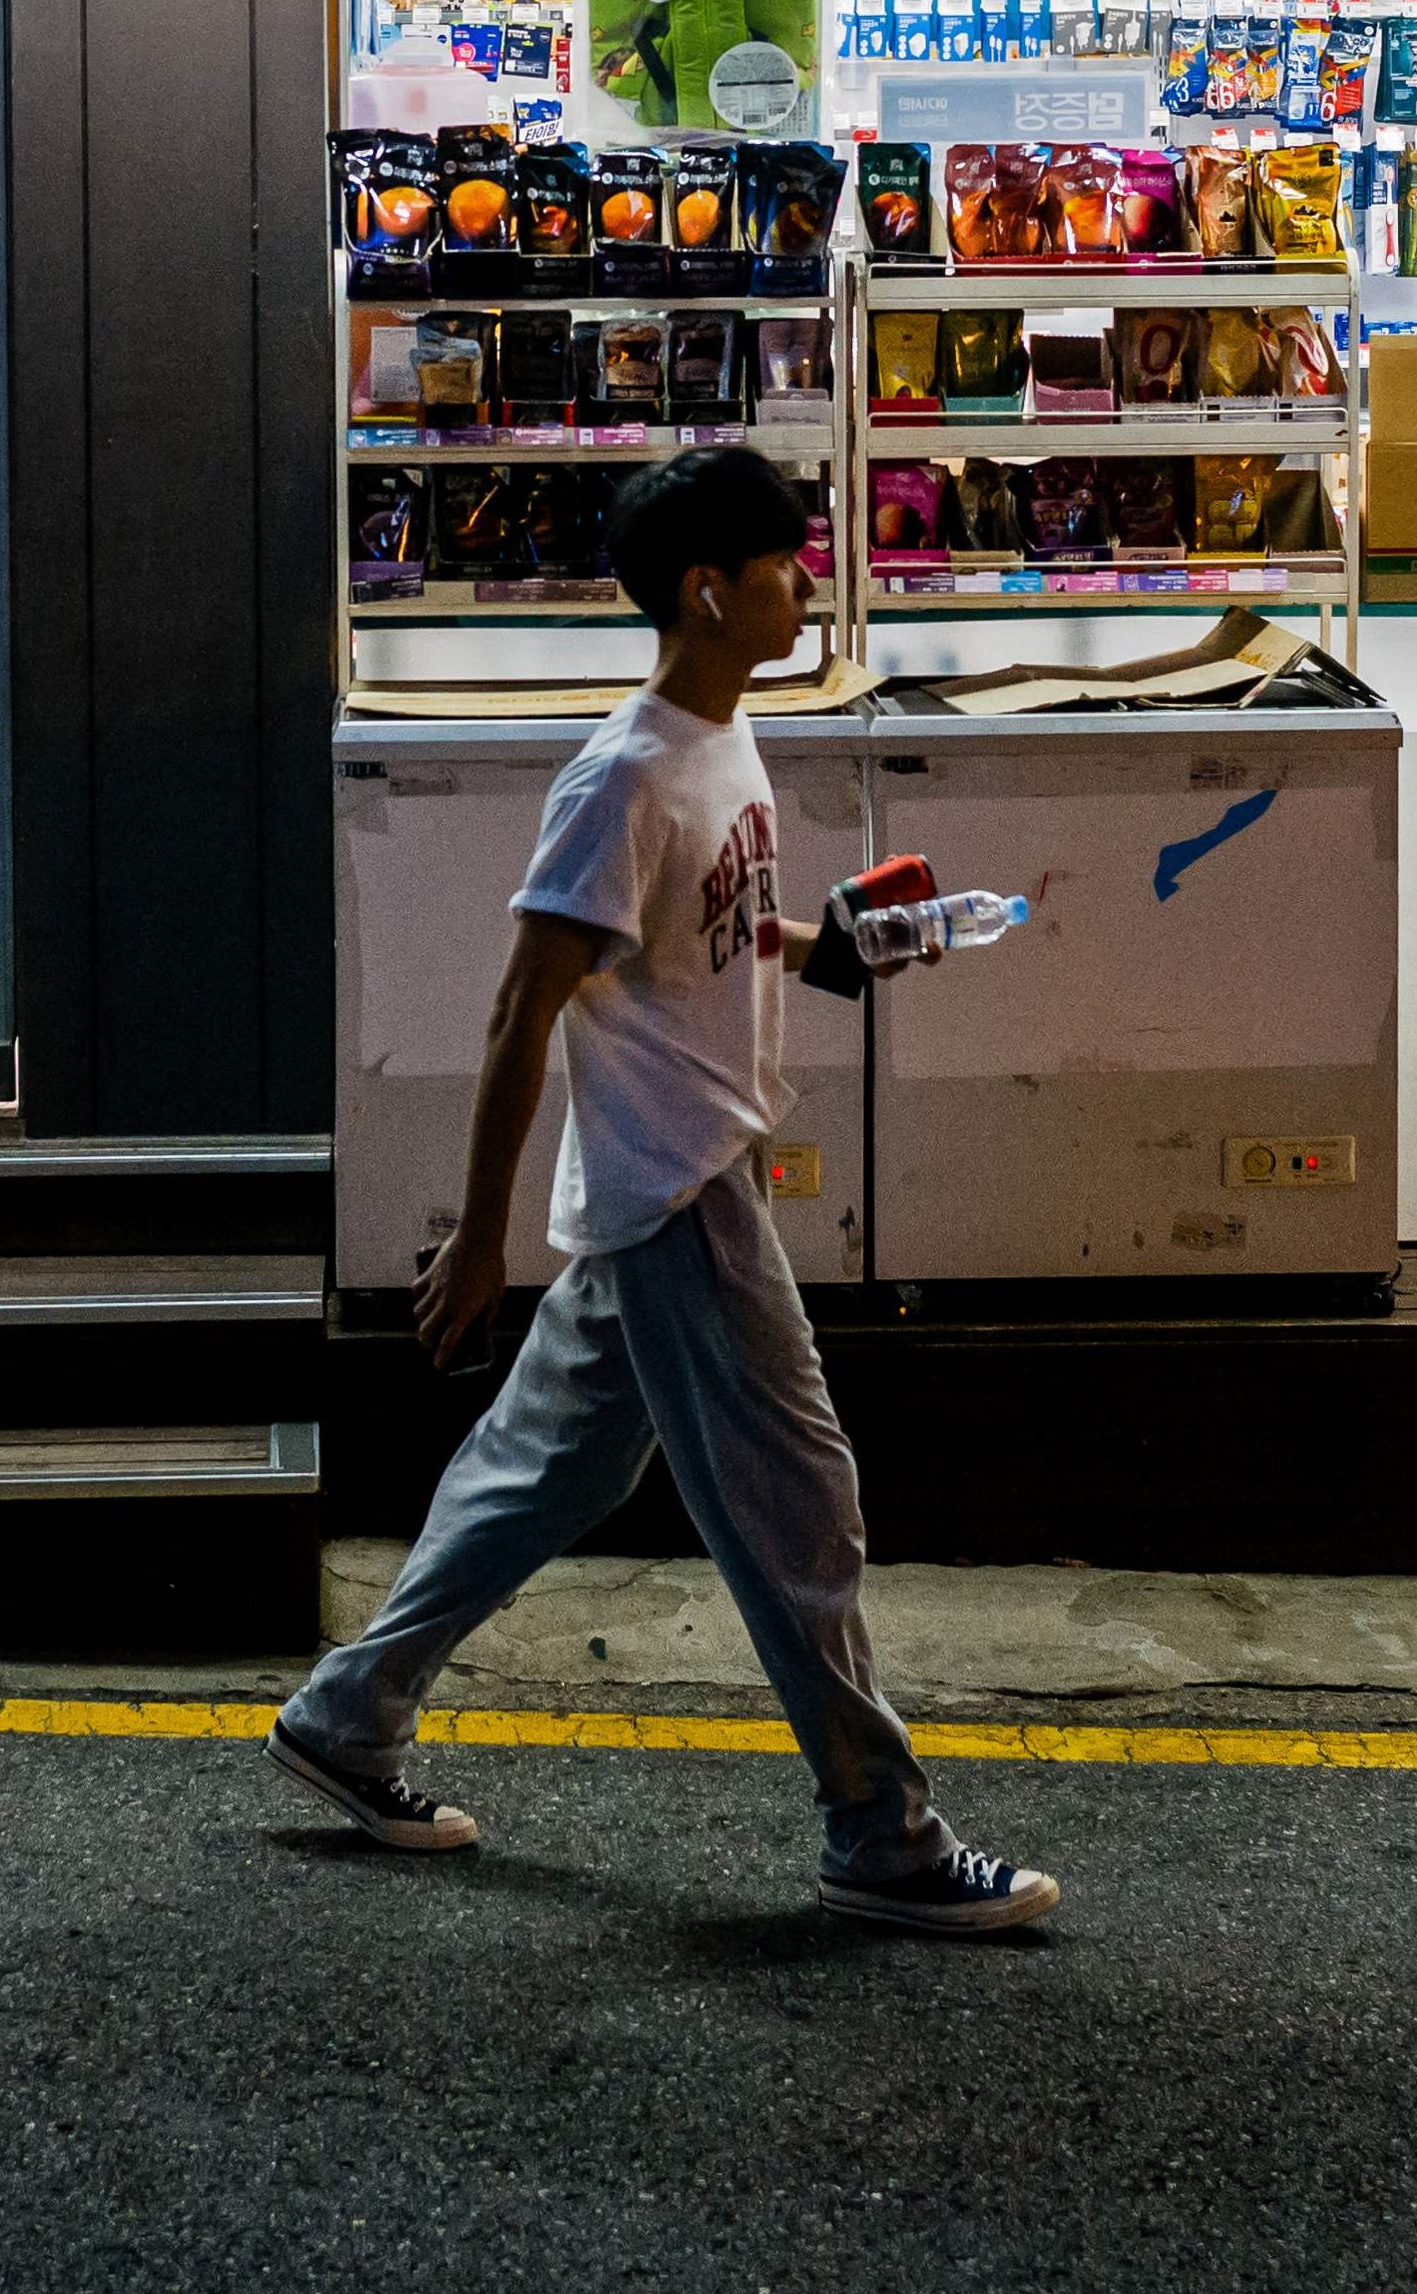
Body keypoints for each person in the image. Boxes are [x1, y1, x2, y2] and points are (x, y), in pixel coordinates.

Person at [271, 446, 1058, 1934]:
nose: (807, 584)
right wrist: (481, 1235)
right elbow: (526, 1006)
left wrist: (836, 946)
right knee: (798, 1508)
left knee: (544, 1474)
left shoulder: (723, 735)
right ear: (710, 595)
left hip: (681, 1172)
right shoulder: (622, 776)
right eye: (783, 568)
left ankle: (346, 1713)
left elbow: (705, 935)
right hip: (678, 1189)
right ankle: (880, 1836)